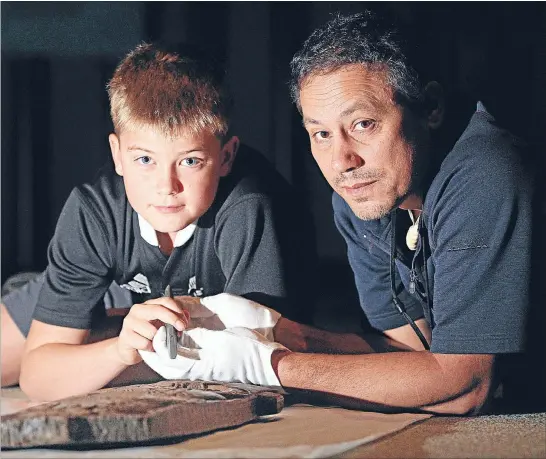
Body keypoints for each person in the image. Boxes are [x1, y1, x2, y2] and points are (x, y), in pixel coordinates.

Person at [142, 10, 535, 415]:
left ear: (430, 108)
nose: (342, 161)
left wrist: (272, 366)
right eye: (322, 134)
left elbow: (464, 386)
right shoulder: (363, 199)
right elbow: (410, 350)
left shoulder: (484, 173)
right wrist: (276, 331)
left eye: (363, 124)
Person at [2, 42, 315, 400]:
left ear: (226, 157)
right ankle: (66, 299)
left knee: (191, 351)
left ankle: (109, 320)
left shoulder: (250, 208)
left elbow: (252, 361)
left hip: (209, 297)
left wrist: (117, 348)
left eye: (191, 161)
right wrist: (117, 349)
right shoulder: (95, 211)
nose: (167, 187)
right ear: (117, 156)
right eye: (145, 160)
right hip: (120, 285)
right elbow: (39, 377)